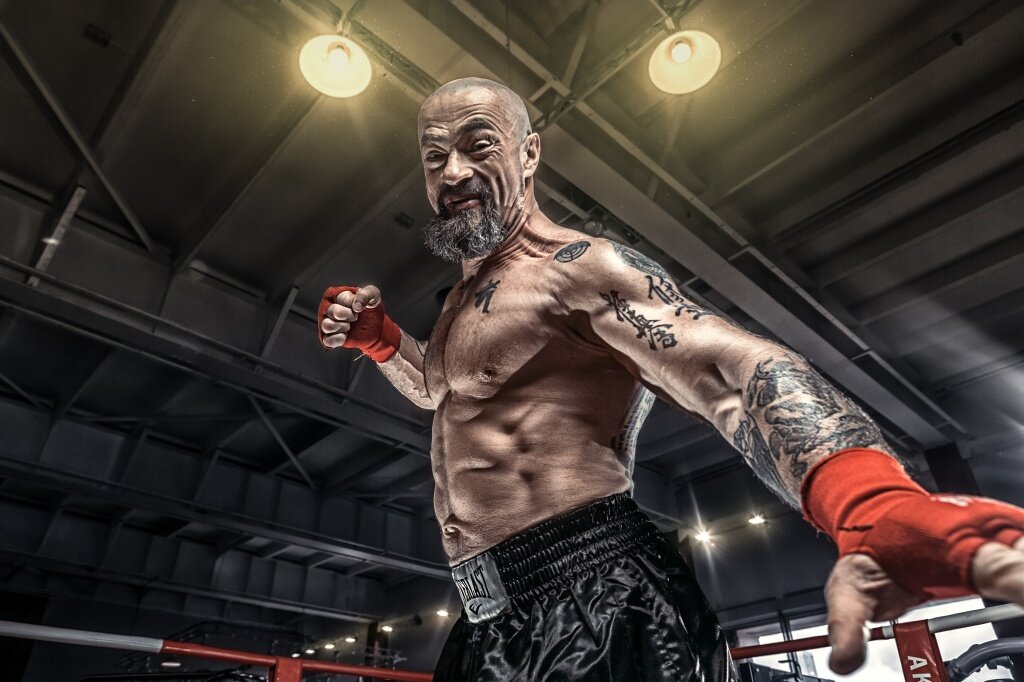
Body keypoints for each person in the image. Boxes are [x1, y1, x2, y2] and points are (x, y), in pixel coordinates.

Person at [317, 77, 1024, 681]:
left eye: (479, 145)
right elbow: (439, 393)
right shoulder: (456, 306)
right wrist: (383, 344)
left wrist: (866, 499)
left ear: (529, 153)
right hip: (483, 616)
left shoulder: (580, 271)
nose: (453, 173)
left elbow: (730, 367)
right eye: (434, 155)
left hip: (596, 592)